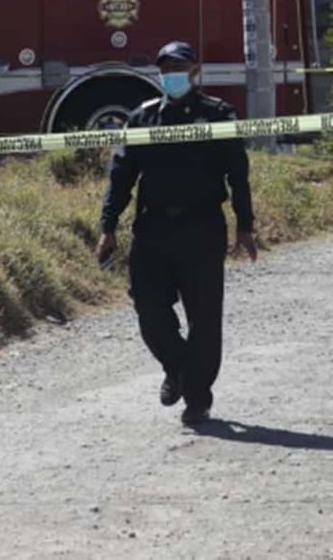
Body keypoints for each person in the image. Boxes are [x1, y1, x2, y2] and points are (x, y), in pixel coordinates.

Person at [96, 40, 259, 426]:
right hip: (153, 228)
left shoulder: (218, 115)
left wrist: (245, 225)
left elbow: (238, 173)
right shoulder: (143, 118)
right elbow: (121, 176)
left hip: (202, 228)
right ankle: (177, 366)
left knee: (205, 319)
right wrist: (108, 226)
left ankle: (197, 398)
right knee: (149, 308)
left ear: (195, 71)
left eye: (180, 68)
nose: (173, 75)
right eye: (166, 68)